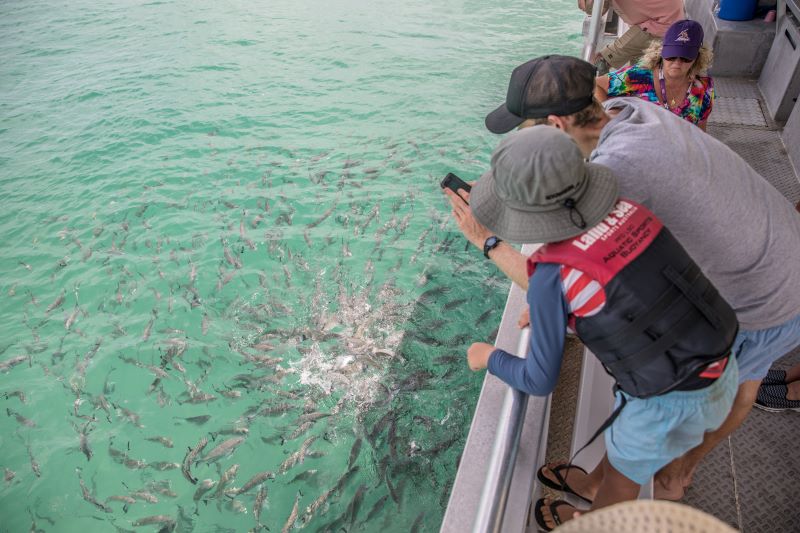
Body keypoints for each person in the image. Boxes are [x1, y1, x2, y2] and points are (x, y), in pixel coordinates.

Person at [480, 54, 800, 503]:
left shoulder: (617, 173)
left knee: (732, 392)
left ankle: (675, 475)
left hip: (762, 297)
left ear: (554, 127)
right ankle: (620, 480)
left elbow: (564, 274)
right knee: (735, 390)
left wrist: (488, 242)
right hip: (786, 247)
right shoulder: (633, 110)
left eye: (525, 132)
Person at [445, 125, 739, 531]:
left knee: (624, 479)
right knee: (620, 445)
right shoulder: (629, 209)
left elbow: (539, 378)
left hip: (670, 399)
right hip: (720, 361)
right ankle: (591, 482)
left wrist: (488, 356)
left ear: (520, 213)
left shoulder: (551, 276)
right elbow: (628, 285)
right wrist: (561, 311)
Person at [595, 19, 714, 130]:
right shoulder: (639, 76)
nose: (677, 63)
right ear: (661, 52)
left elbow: (700, 133)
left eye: (685, 58)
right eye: (671, 56)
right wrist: (607, 120)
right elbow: (594, 85)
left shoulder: (704, 90)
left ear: (698, 57)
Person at [578, 0, 685, 73]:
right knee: (637, 68)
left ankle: (592, 99)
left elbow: (590, 9)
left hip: (660, 25)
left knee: (602, 60)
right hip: (671, 22)